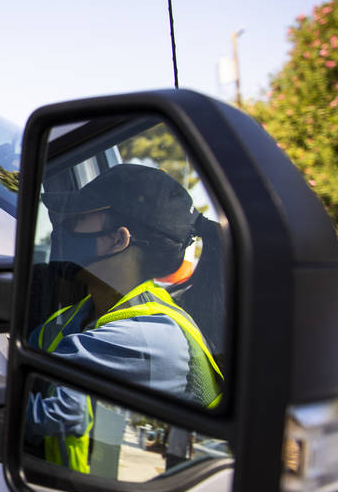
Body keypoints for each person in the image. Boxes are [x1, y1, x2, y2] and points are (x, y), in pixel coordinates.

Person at [25, 163, 224, 472]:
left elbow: (47, 415)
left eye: (78, 219)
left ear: (119, 239)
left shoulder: (148, 336)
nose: (62, 227)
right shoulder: (78, 313)